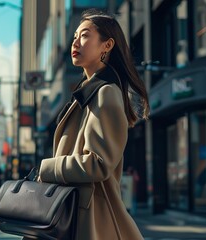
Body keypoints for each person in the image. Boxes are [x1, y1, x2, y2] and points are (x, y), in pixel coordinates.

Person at [37, 9, 149, 240]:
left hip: (88, 219)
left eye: (85, 35)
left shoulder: (105, 93)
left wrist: (47, 169)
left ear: (107, 45)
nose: (75, 41)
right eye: (75, 35)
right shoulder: (88, 92)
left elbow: (98, 164)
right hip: (72, 212)